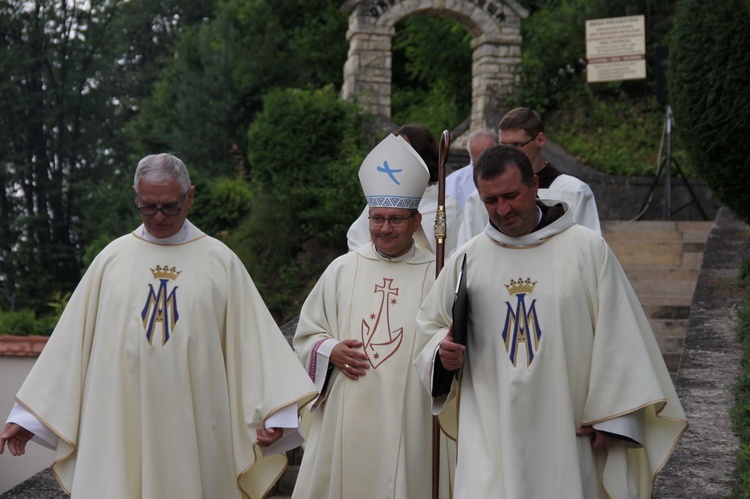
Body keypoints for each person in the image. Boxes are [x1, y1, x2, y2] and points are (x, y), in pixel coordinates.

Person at [0, 154, 317, 498]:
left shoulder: (220, 262)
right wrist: (30, 419)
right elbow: (69, 346)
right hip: (120, 424)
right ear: (135, 196)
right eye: (148, 207)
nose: (160, 217)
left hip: (196, 428)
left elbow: (256, 344)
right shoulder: (111, 260)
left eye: (170, 206)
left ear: (190, 197)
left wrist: (276, 415)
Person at [414, 145, 687, 498]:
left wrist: (616, 419)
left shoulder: (587, 250)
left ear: (535, 186)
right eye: (491, 200)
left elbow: (620, 336)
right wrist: (442, 354)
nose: (503, 209)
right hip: (490, 436)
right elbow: (430, 329)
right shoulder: (468, 259)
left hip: (569, 433)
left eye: (511, 195)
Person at [293, 134, 453, 498]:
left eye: (395, 220)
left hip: (413, 416)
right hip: (346, 413)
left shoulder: (439, 273)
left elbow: (451, 345)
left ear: (416, 222)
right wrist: (330, 351)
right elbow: (306, 336)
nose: (384, 229)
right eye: (377, 218)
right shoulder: (342, 269)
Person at [458, 108, 601, 245]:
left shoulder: (574, 191)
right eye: (503, 145)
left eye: (516, 145)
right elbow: (468, 252)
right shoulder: (480, 197)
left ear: (540, 140)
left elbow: (589, 249)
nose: (508, 152)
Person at [347, 124, 463, 255]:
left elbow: (454, 256)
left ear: (423, 156)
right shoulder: (382, 198)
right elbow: (356, 239)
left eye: (404, 150)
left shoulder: (447, 206)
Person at [445, 128, 497, 210]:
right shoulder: (452, 182)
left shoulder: (510, 175)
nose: (483, 164)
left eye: (488, 158)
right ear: (470, 155)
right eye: (476, 160)